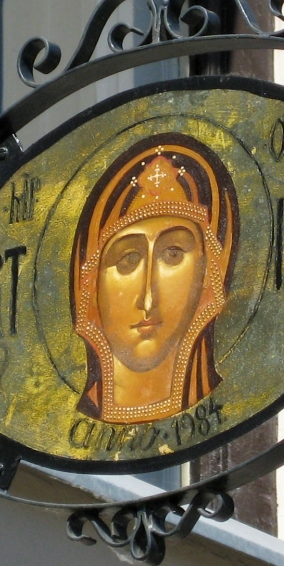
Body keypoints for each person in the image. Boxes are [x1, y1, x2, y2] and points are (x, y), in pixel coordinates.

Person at [70, 136, 237, 424]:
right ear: (90, 283)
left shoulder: (231, 408)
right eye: (127, 259)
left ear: (210, 273)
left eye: (173, 254)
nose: (147, 298)